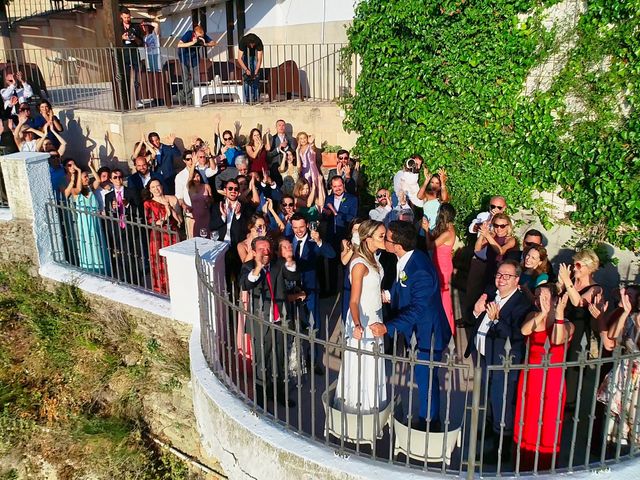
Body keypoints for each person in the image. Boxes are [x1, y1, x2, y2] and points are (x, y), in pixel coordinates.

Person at [369, 221, 451, 431]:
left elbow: (418, 309)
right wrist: (386, 295)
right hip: (417, 331)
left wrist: (388, 327)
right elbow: (401, 288)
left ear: (397, 244)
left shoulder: (419, 268)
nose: (384, 240)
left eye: (386, 237)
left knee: (426, 379)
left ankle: (429, 423)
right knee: (423, 376)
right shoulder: (406, 258)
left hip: (427, 334)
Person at [465, 259, 531, 462]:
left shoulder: (521, 304)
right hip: (486, 357)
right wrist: (476, 311)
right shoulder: (491, 293)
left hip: (504, 361)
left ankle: (501, 450)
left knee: (502, 403)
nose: (501, 279)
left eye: (507, 276)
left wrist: (496, 319)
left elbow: (516, 336)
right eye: (499, 275)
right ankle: (490, 432)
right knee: (491, 399)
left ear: (517, 280)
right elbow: (475, 319)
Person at [514, 285, 573, 471]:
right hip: (532, 375)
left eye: (546, 296)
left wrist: (558, 316)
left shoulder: (569, 323)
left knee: (549, 421)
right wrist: (542, 314)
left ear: (556, 299)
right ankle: (525, 462)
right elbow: (524, 331)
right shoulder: (532, 316)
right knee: (529, 417)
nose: (542, 299)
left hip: (553, 378)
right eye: (538, 296)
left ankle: (545, 464)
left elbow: (557, 340)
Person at [335, 221, 388, 419]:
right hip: (363, 320)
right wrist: (357, 325)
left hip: (376, 314)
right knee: (362, 366)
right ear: (368, 239)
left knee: (373, 366)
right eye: (381, 236)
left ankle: (372, 408)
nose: (385, 239)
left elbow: (370, 287)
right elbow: (354, 301)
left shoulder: (374, 258)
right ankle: (358, 412)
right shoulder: (359, 264)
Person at [240, 236, 297, 407]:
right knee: (261, 362)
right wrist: (258, 267)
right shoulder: (248, 267)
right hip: (260, 323)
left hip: (279, 321)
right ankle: (261, 398)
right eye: (261, 249)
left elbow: (292, 274)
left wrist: (289, 259)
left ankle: (279, 394)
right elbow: (245, 284)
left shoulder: (278, 264)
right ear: (253, 251)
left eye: (267, 249)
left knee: (279, 360)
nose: (265, 252)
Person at [289, 213, 336, 374]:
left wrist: (319, 241)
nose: (298, 230)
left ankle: (313, 360)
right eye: (295, 227)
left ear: (307, 225)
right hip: (291, 290)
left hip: (310, 291)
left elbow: (331, 254)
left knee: (313, 325)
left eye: (301, 227)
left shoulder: (314, 240)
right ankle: (295, 358)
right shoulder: (288, 239)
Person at [557, 249, 603, 409]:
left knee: (572, 373)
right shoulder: (570, 281)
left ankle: (568, 408)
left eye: (578, 264)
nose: (574, 268)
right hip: (561, 330)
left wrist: (566, 282)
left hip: (579, 335)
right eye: (574, 264)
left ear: (590, 267)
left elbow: (578, 302)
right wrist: (560, 284)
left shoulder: (595, 289)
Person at [464, 196, 508, 337]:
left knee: (487, 292)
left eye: (498, 207)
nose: (495, 209)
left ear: (504, 208)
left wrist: (493, 227)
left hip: (493, 263)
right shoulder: (483, 216)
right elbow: (472, 228)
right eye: (492, 206)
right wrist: (487, 223)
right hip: (479, 258)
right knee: (472, 289)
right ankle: (468, 318)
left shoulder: (505, 223)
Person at [67, 167, 109, 275]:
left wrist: (91, 167)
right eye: (85, 177)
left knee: (98, 242)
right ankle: (90, 268)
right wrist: (79, 171)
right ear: (79, 180)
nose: (87, 179)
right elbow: (79, 189)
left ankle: (102, 268)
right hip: (85, 222)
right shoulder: (75, 192)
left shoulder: (91, 188)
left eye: (87, 176)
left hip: (94, 221)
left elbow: (98, 180)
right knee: (89, 243)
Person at [422, 202, 456, 337]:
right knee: (440, 295)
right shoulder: (447, 229)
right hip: (440, 263)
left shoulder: (448, 233)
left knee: (444, 297)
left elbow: (430, 246)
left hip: (443, 266)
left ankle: (447, 328)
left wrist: (425, 230)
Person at [143, 179, 182, 294]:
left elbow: (179, 221)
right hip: (159, 235)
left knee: (173, 261)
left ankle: (175, 286)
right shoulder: (148, 203)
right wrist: (166, 215)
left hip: (173, 234)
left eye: (158, 186)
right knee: (159, 262)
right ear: (150, 190)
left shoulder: (171, 199)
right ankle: (162, 287)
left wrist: (172, 211)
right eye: (153, 187)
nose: (156, 189)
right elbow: (153, 222)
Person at [475, 212, 518, 287]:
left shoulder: (510, 240)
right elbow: (477, 249)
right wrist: (482, 234)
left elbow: (501, 251)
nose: (499, 229)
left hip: (502, 273)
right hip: (489, 269)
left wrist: (488, 236)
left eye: (502, 226)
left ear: (508, 226)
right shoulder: (492, 236)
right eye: (496, 225)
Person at [177, 25, 217, 104]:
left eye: (201, 36)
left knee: (196, 79)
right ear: (194, 33)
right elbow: (179, 45)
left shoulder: (202, 36)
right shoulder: (189, 34)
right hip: (184, 57)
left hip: (195, 58)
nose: (200, 37)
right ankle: (189, 100)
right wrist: (192, 42)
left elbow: (214, 43)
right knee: (186, 78)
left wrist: (205, 44)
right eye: (198, 36)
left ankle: (182, 93)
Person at [117, 7, 144, 109]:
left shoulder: (135, 27)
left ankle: (137, 99)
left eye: (128, 17)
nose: (127, 19)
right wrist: (122, 38)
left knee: (136, 78)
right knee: (125, 77)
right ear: (121, 17)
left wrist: (135, 38)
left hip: (133, 52)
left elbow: (141, 42)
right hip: (124, 54)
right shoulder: (118, 28)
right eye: (125, 17)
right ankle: (127, 101)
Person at [417, 166, 449, 232]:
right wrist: (426, 181)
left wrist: (443, 182)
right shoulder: (427, 194)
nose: (434, 185)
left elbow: (444, 199)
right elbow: (419, 196)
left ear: (440, 185)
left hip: (438, 230)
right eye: (432, 182)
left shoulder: (442, 195)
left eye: (437, 183)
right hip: (425, 229)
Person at [237, 33, 264, 103]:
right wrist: (246, 69)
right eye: (250, 44)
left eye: (253, 44)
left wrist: (256, 70)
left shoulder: (258, 41)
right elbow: (239, 59)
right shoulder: (243, 41)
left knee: (255, 77)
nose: (252, 46)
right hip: (245, 56)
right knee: (247, 78)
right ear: (248, 43)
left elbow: (259, 59)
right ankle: (247, 98)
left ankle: (256, 98)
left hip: (254, 56)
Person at [187, 165, 213, 239]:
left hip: (207, 215)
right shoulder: (190, 188)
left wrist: (209, 199)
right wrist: (194, 163)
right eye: (194, 177)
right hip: (197, 217)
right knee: (198, 238)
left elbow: (212, 200)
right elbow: (189, 177)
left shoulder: (206, 186)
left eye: (198, 176)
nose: (196, 178)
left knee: (208, 237)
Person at [175, 150, 195, 238]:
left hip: (203, 210)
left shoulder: (199, 171)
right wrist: (185, 207)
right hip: (190, 211)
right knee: (191, 237)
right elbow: (179, 197)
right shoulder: (180, 176)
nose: (191, 161)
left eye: (192, 159)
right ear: (184, 161)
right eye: (188, 159)